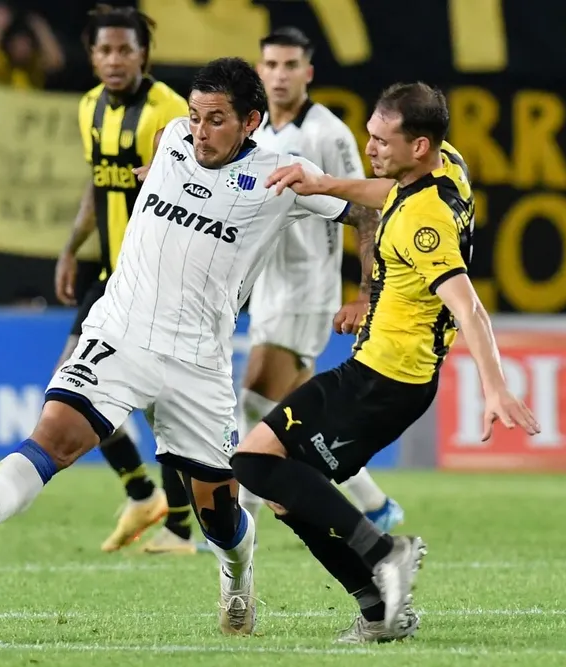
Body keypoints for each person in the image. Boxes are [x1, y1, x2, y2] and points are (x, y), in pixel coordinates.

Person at [0, 56, 363, 637]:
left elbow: (369, 208)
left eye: (216, 120)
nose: (200, 132)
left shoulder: (285, 174)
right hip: (121, 330)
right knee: (54, 433)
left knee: (219, 515)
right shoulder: (172, 138)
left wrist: (372, 281)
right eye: (195, 116)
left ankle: (237, 578)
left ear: (251, 121)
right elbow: (145, 154)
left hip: (197, 361)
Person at [231, 82, 541, 642]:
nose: (369, 147)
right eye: (369, 135)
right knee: (284, 489)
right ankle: (378, 611)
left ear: (419, 145)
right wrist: (326, 183)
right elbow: (387, 193)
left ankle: (385, 551)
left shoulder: (427, 227)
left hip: (386, 378)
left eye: (381, 140)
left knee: (255, 464)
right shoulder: (449, 168)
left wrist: (495, 387)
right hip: (380, 369)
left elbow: (469, 307)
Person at [239, 26, 404, 536]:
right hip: (268, 285)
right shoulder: (256, 129)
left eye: (290, 65)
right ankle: (373, 502)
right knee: (296, 409)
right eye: (271, 65)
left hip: (308, 285)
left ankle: (238, 516)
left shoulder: (327, 132)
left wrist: (366, 291)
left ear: (308, 72)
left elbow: (369, 209)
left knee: (253, 396)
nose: (279, 75)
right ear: (260, 69)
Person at [53, 4, 198, 555]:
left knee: (165, 406)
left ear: (144, 55)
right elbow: (98, 188)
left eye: (125, 50)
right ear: (91, 56)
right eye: (103, 50)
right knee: (70, 386)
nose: (114, 60)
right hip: (110, 275)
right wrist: (71, 248)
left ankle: (181, 527)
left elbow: (199, 189)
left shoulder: (171, 111)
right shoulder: (89, 108)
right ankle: (141, 492)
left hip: (159, 280)